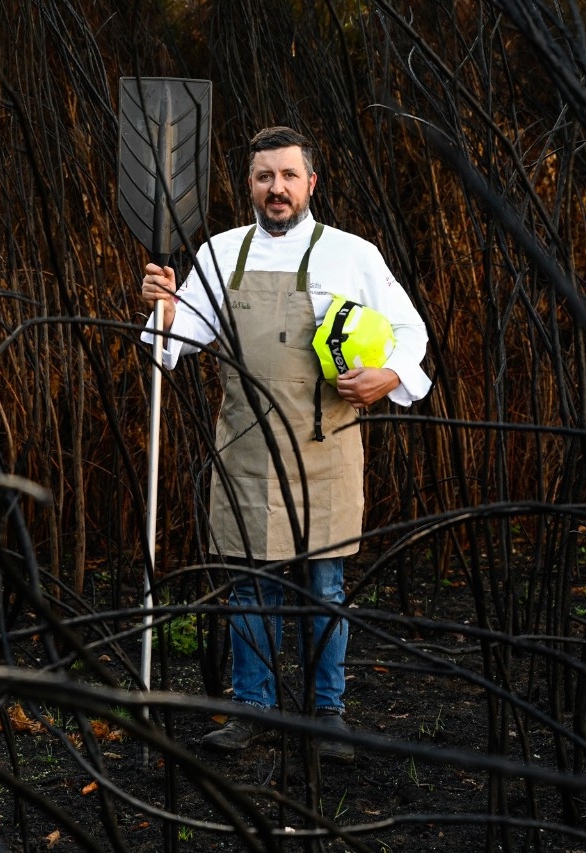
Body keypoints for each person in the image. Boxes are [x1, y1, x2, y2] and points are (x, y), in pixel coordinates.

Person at [139, 126, 430, 763]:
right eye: (265, 176)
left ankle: (328, 715)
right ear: (249, 185)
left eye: (288, 176)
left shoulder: (352, 255)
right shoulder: (218, 254)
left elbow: (411, 332)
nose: (277, 188)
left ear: (310, 184)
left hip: (325, 447)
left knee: (324, 589)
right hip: (245, 449)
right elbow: (174, 345)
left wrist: (388, 377)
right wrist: (163, 307)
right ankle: (252, 711)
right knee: (248, 587)